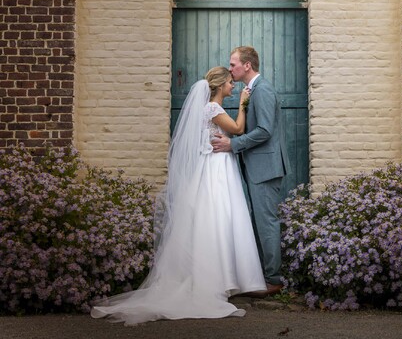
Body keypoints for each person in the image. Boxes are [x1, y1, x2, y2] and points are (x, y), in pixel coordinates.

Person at [90, 67, 266, 325]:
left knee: (218, 218)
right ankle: (219, 278)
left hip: (217, 164)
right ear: (220, 86)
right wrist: (243, 103)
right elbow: (238, 129)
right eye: (230, 83)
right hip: (216, 169)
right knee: (217, 217)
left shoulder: (211, 108)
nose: (233, 86)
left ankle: (225, 277)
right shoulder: (213, 108)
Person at [212, 46, 289, 297]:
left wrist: (233, 144)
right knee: (259, 222)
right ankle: (261, 276)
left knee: (266, 223)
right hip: (257, 166)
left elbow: (265, 130)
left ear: (247, 65)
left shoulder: (263, 90)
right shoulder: (252, 90)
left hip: (265, 168)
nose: (230, 68)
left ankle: (273, 280)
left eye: (233, 64)